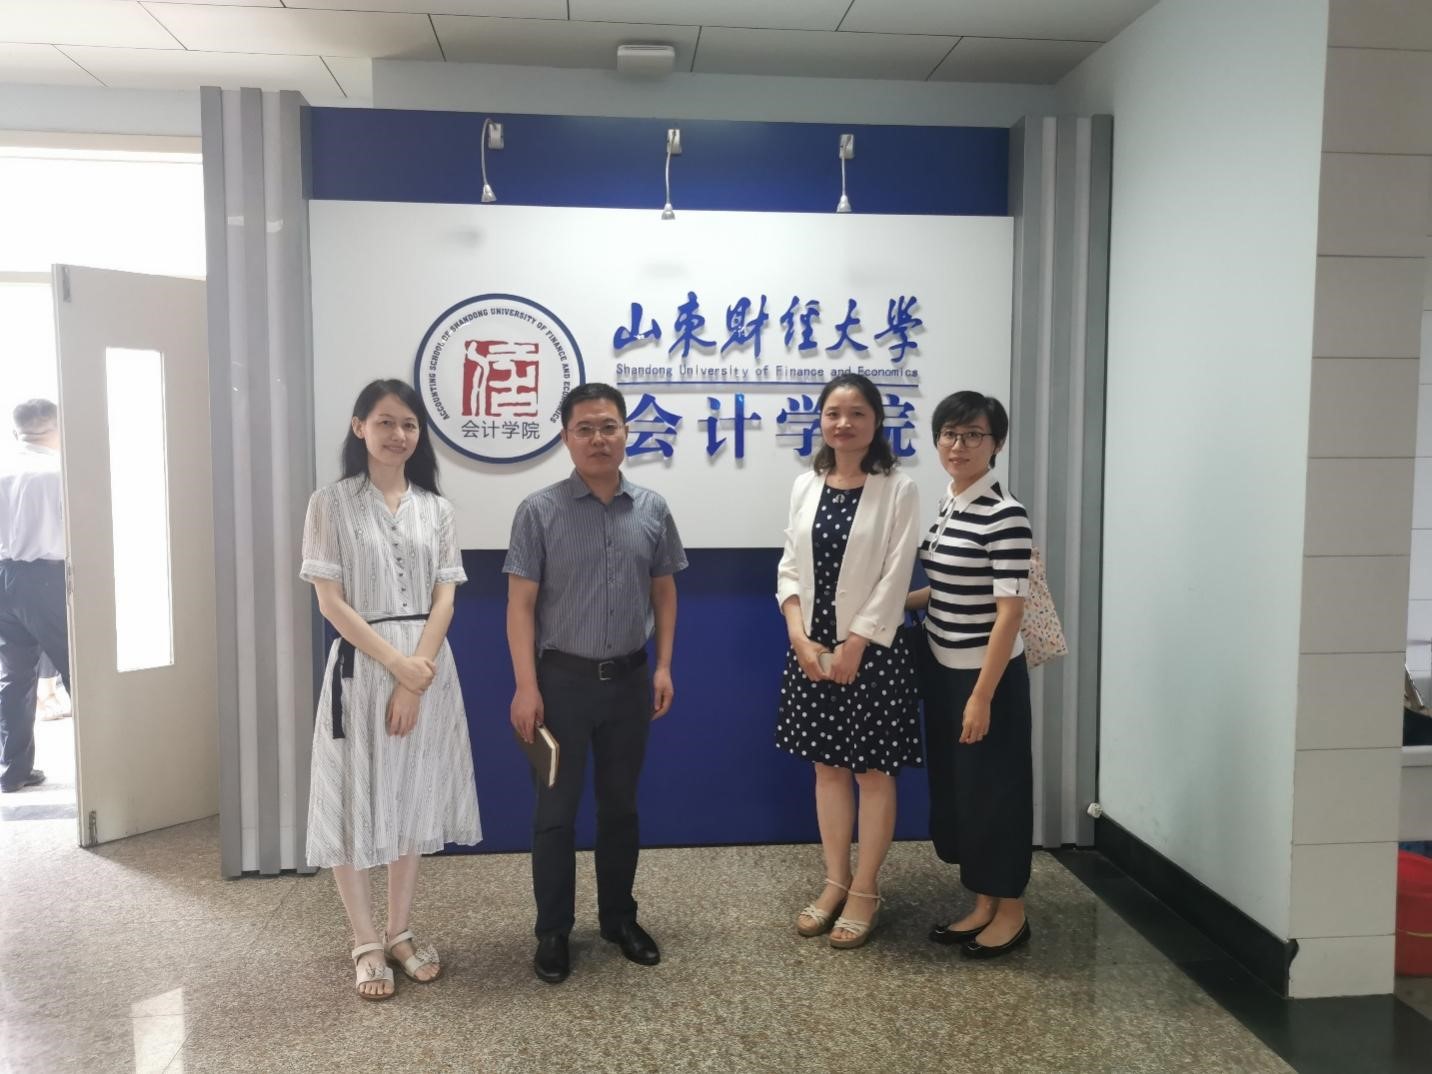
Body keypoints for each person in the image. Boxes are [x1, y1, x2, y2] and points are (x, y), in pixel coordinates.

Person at [300, 378, 481, 1000]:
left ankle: (400, 931)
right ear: (359, 428)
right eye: (385, 422)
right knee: (349, 797)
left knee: (411, 796)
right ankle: (365, 942)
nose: (398, 434)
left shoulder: (436, 508)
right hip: (364, 664)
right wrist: (397, 666)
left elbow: (445, 597)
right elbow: (330, 602)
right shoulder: (329, 503)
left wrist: (416, 674)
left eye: (408, 424)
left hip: (427, 670)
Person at [504, 382, 686, 985]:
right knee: (554, 814)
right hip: (560, 685)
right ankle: (553, 930)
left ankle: (619, 919)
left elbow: (664, 592)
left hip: (629, 683)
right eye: (585, 428)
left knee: (620, 808)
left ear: (626, 433)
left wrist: (663, 665)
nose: (598, 439)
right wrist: (526, 687)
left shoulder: (652, 508)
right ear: (566, 438)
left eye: (609, 426)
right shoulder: (539, 511)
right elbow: (520, 606)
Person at [775, 373, 922, 949]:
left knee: (873, 774)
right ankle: (835, 880)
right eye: (833, 413)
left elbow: (896, 575)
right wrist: (799, 637)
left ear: (876, 422)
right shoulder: (805, 484)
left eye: (857, 413)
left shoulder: (898, 488)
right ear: (820, 420)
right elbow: (790, 565)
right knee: (827, 770)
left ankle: (865, 889)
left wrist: (855, 645)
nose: (844, 423)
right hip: (812, 652)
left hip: (874, 655)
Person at [907, 391, 1034, 960]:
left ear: (996, 443)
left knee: (996, 793)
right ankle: (983, 902)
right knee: (964, 794)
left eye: (973, 435)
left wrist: (982, 697)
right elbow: (949, 587)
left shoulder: (1006, 514)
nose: (959, 446)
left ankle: (1012, 912)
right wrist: (891, 604)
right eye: (950, 434)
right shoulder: (951, 502)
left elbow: (1010, 612)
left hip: (987, 680)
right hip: (942, 669)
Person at [0, 399, 69, 794]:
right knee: (77, 669)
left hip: (4, 577)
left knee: (14, 677)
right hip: (46, 579)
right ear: (57, 428)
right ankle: (104, 769)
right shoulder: (60, 472)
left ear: (16, 431)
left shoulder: (4, 469)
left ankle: (13, 771)